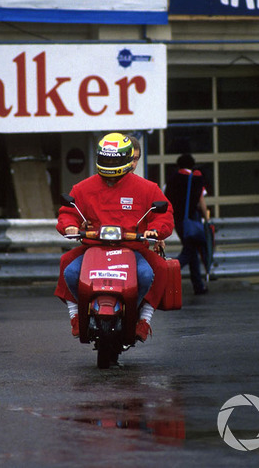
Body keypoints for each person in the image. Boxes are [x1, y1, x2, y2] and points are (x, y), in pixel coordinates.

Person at [54, 133, 174, 342]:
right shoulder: (83, 188)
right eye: (106, 159)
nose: (110, 163)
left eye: (114, 160)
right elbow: (67, 212)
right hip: (93, 248)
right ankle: (76, 316)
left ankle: (143, 319)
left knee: (152, 273)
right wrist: (70, 227)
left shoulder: (147, 188)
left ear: (127, 159)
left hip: (134, 248)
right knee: (69, 268)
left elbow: (164, 214)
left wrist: (155, 230)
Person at [164, 154, 209, 295]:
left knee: (192, 250)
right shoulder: (196, 178)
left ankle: (198, 286)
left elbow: (166, 198)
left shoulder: (172, 179)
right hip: (192, 220)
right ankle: (166, 274)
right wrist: (207, 218)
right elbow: (201, 200)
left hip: (178, 220)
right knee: (189, 252)